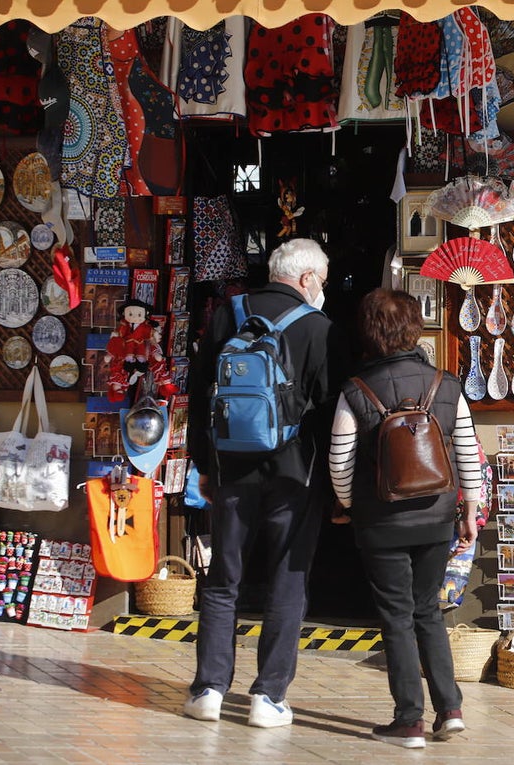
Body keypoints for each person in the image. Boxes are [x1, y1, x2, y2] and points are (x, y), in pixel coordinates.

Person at [183, 238, 348, 728]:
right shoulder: (321, 329)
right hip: (297, 473)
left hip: (233, 467)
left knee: (222, 578)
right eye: (321, 278)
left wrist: (204, 465)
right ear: (305, 279)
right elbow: (332, 412)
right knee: (287, 581)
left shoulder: (228, 314)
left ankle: (209, 689)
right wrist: (339, 486)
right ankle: (268, 697)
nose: (322, 287)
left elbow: (199, 394)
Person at [329, 288, 482, 750]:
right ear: (413, 328)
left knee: (396, 617)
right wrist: (469, 512)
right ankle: (450, 710)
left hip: (381, 522)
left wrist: (352, 507)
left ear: (369, 332)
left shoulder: (356, 390)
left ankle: (409, 720)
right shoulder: (447, 384)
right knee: (428, 611)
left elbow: (340, 462)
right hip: (437, 516)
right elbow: (469, 455)